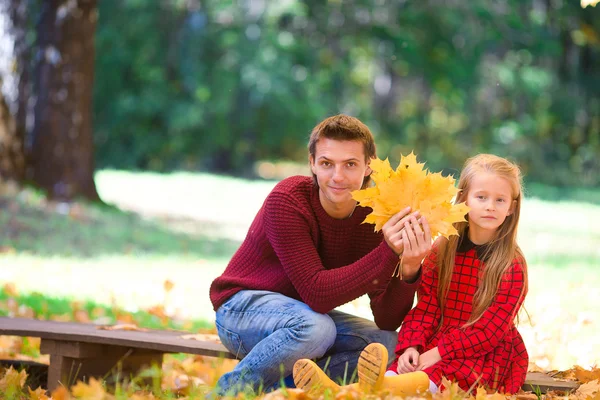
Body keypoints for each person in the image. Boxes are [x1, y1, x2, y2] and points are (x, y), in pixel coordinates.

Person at [209, 114, 431, 395]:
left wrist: (409, 267)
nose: (337, 177)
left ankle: (288, 392)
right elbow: (317, 294)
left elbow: (387, 319)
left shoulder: (378, 216)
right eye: (327, 163)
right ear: (312, 163)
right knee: (316, 328)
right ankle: (228, 393)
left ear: (368, 167)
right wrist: (388, 252)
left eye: (350, 164)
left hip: (305, 319)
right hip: (242, 309)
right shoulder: (288, 198)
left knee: (388, 344)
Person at [294, 153, 529, 395]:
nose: (490, 206)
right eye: (481, 197)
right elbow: (426, 308)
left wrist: (438, 353)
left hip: (481, 355)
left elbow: (489, 331)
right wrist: (411, 347)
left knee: (417, 383)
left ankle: (337, 393)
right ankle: (342, 391)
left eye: (500, 200)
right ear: (464, 200)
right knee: (397, 374)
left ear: (511, 208)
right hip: (434, 343)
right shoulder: (442, 250)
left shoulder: (511, 264)